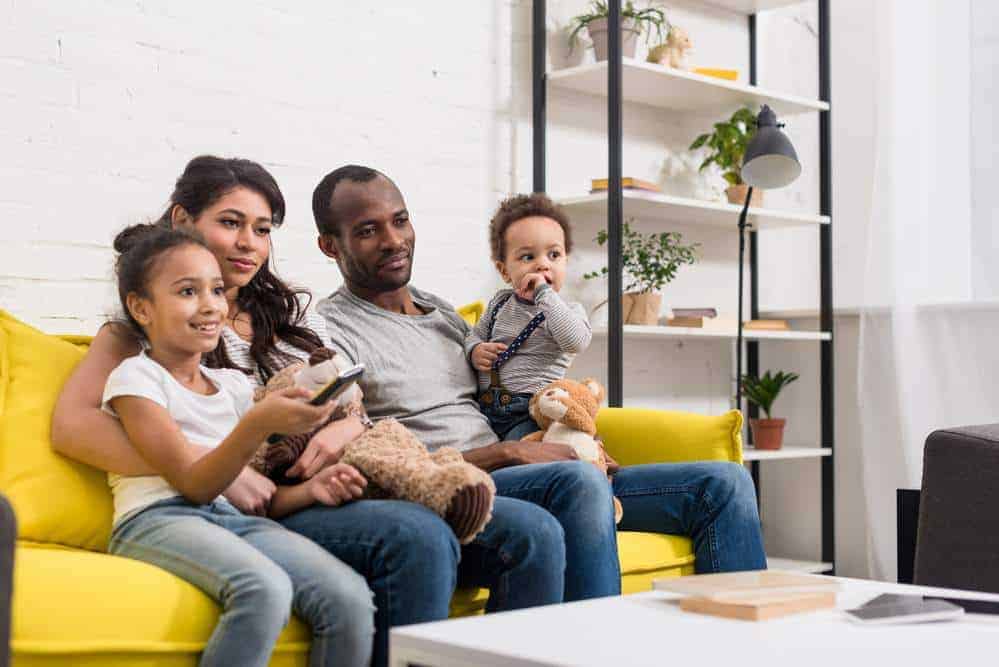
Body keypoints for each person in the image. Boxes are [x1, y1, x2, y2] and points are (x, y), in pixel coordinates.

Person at [52, 155, 562, 667]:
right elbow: (73, 428)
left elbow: (352, 399)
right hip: (264, 495)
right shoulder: (150, 332)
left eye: (263, 229)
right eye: (230, 223)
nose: (249, 242)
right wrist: (220, 470)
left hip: (330, 480)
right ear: (184, 222)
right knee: (417, 535)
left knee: (531, 531)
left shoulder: (290, 316)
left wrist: (345, 429)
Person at [312, 165, 768, 602]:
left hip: (525, 466)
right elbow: (368, 454)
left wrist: (571, 434)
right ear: (331, 246)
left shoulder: (443, 314)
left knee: (724, 485)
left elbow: (510, 388)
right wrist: (508, 452)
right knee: (577, 481)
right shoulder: (332, 331)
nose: (394, 240)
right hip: (454, 482)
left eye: (400, 221)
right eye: (368, 230)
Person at [102, 224, 373, 667]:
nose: (210, 306)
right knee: (264, 588)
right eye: (187, 292)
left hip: (229, 518)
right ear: (141, 307)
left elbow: (248, 495)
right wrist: (256, 424)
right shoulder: (136, 379)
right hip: (155, 521)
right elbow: (195, 484)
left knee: (349, 597)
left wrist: (310, 490)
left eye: (215, 291)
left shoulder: (231, 385)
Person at [466, 193, 592, 441]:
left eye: (554, 255)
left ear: (566, 261)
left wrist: (543, 293)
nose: (542, 265)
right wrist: (475, 350)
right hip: (486, 408)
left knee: (518, 454)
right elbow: (474, 334)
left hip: (532, 412)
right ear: (504, 270)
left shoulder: (568, 311)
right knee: (479, 451)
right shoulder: (500, 303)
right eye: (528, 257)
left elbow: (575, 341)